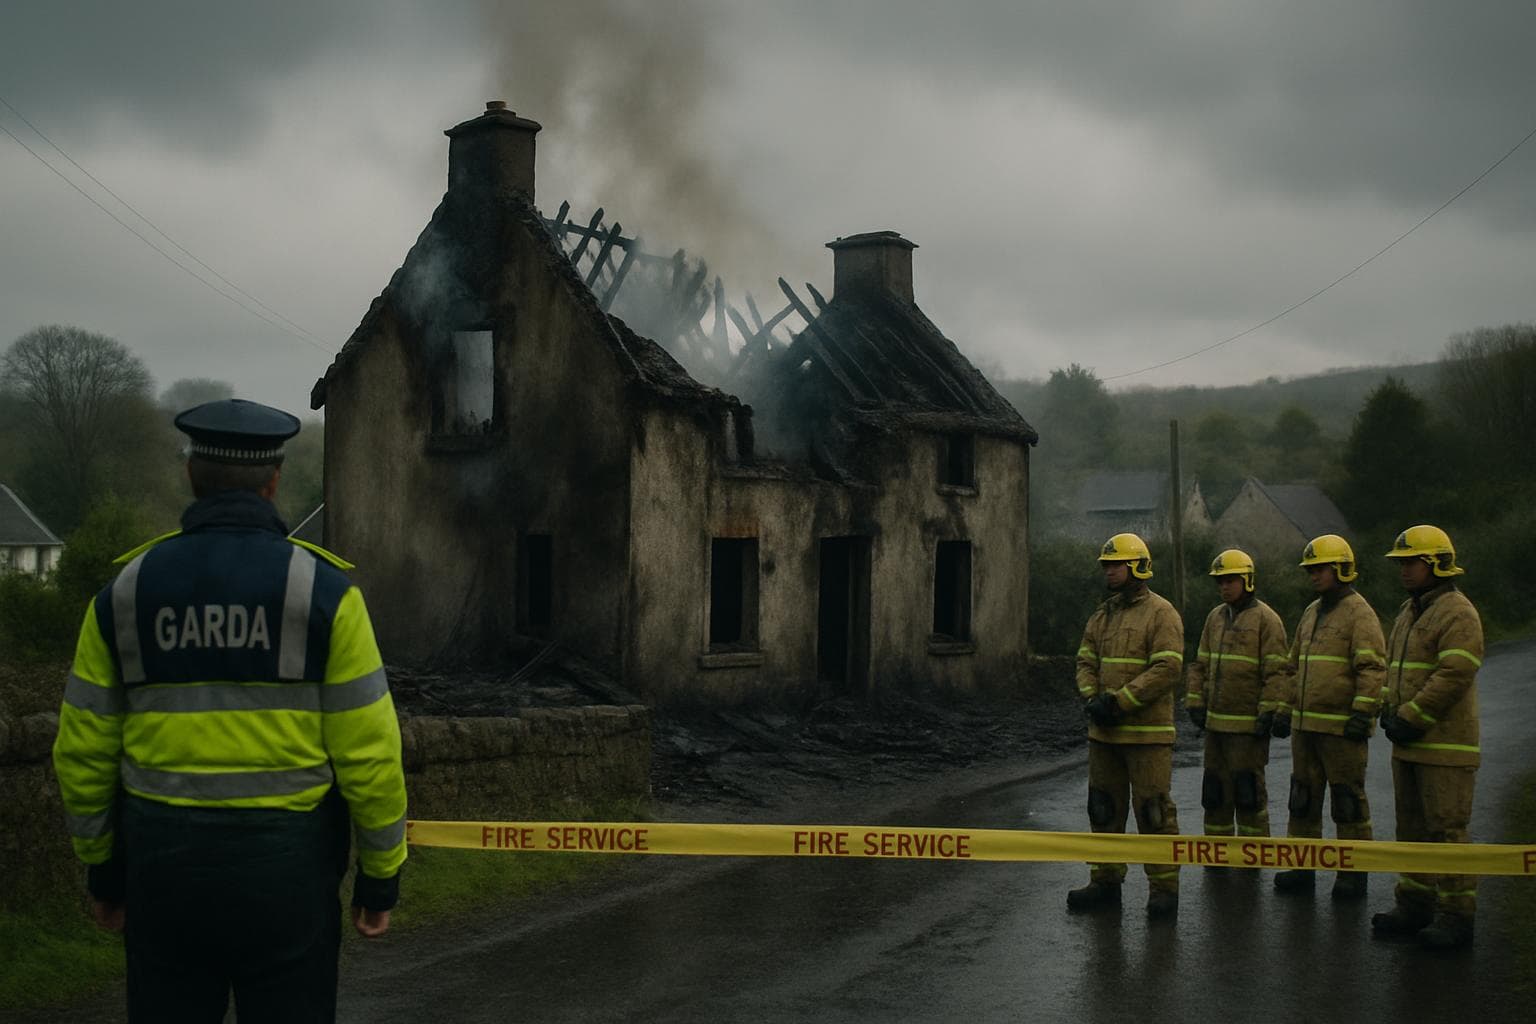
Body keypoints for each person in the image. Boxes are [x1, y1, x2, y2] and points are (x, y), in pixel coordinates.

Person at [52, 399, 407, 1023]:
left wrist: (103, 873)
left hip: (164, 870)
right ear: (273, 482)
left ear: (191, 475)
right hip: (288, 876)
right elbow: (371, 754)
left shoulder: (125, 593)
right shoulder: (325, 593)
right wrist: (380, 877)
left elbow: (82, 752)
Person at [1371, 525, 1484, 950]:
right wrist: (1388, 706)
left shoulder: (1458, 612)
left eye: (1411, 562)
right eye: (1401, 562)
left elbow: (1455, 672)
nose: (1403, 569)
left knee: (1447, 830)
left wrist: (1412, 715)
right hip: (1410, 742)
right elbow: (1395, 669)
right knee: (1411, 827)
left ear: (1437, 563)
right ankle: (1415, 904)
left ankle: (1456, 917)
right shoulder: (1409, 610)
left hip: (1445, 745)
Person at [1070, 532, 1185, 919]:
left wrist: (1119, 703)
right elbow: (1085, 660)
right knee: (1103, 810)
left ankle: (1164, 889)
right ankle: (1105, 882)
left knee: (1153, 812)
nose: (1109, 571)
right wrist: (1091, 699)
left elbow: (1167, 668)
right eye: (1106, 565)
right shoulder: (1102, 615)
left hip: (1147, 736)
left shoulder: (1162, 613)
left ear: (1138, 566)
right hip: (1104, 736)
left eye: (1115, 564)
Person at [1271, 533, 1385, 900]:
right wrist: (1284, 710)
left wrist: (1362, 713)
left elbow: (1371, 668)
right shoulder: (1311, 612)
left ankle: (1352, 874)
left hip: (1340, 730)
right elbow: (1293, 667)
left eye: (1319, 569)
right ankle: (1302, 868)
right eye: (1311, 570)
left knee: (1347, 802)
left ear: (1341, 569)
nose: (1313, 576)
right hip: (1306, 728)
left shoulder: (1360, 614)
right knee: (1302, 799)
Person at [1183, 549, 1290, 855]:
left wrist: (1268, 712)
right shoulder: (1214, 618)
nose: (1224, 587)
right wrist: (1195, 702)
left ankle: (1254, 854)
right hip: (1216, 727)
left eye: (1230, 580)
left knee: (1248, 794)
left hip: (1247, 730)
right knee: (1214, 793)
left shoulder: (1266, 620)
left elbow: (1277, 672)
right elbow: (1200, 664)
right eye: (1220, 582)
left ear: (1247, 581)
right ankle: (1218, 853)